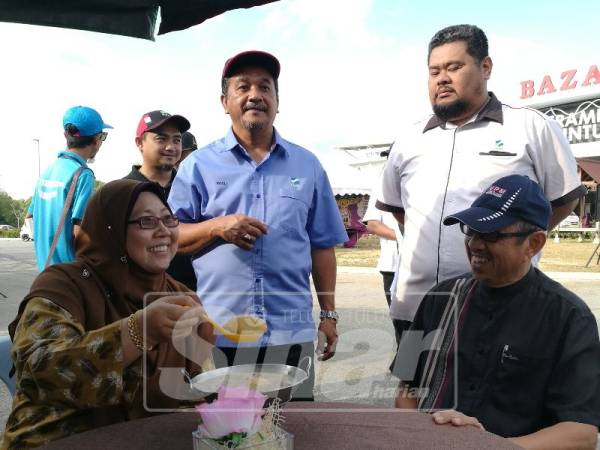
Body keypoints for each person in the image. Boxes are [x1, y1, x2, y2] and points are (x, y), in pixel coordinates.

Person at [376, 24, 586, 341]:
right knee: (413, 385)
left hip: (499, 308)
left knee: (489, 389)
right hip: (415, 308)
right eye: (434, 72)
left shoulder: (532, 128)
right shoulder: (408, 140)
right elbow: (401, 213)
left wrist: (513, 241)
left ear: (485, 67)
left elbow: (562, 201)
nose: (442, 79)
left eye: (454, 67)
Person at [169, 50, 348, 400]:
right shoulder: (198, 167)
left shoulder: (307, 165)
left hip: (290, 335)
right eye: (243, 87)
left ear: (277, 102)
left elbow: (321, 245)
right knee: (227, 432)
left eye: (265, 87)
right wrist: (216, 226)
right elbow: (169, 237)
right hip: (221, 334)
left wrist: (329, 314)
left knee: (295, 429)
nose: (255, 95)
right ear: (225, 101)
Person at [2, 180, 214, 449]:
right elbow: (40, 372)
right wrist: (138, 331)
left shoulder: (179, 296)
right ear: (109, 229)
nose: (164, 231)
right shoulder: (64, 285)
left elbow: (197, 388)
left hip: (149, 440)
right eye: (146, 222)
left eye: (168, 219)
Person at [392, 175, 600, 449]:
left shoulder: (570, 318)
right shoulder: (437, 299)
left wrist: (493, 447)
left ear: (534, 243)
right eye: (471, 231)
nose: (475, 244)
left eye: (491, 234)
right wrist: (420, 437)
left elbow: (581, 431)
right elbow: (405, 386)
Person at [28, 105, 112, 271]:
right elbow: (80, 232)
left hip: (44, 271)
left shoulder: (48, 171)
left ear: (66, 135)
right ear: (97, 139)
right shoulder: (82, 174)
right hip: (69, 273)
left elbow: (30, 215)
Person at [123, 110, 197, 290]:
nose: (171, 147)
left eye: (176, 140)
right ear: (140, 143)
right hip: (139, 301)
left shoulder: (194, 188)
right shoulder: (122, 192)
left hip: (190, 297)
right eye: (161, 139)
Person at [361, 151, 402, 332]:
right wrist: (406, 237)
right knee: (403, 328)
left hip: (423, 265)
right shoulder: (381, 188)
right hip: (392, 267)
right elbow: (373, 224)